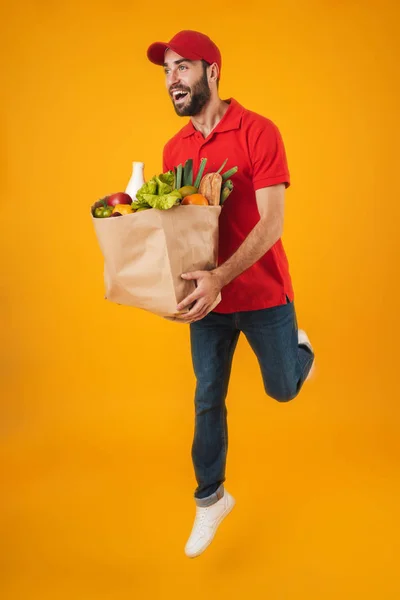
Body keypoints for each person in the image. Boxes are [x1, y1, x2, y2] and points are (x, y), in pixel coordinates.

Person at [147, 30, 315, 558]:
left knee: (284, 389)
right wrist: (177, 288)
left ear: (212, 72)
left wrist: (222, 275)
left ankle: (299, 352)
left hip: (262, 293)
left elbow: (272, 224)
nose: (172, 79)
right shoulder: (175, 148)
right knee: (206, 397)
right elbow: (182, 230)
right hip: (208, 302)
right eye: (167, 71)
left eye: (182, 68)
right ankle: (210, 499)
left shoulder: (258, 131)